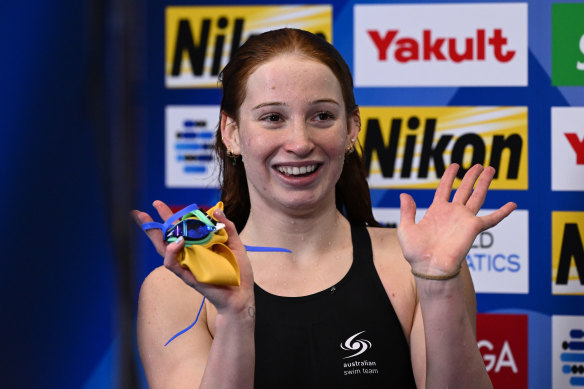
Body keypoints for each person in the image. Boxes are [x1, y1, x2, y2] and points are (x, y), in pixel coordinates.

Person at [133, 28, 515, 389]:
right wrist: (236, 319)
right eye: (273, 118)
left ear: (351, 129)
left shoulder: (414, 267)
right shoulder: (177, 289)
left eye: (322, 116)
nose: (299, 142)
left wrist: (439, 285)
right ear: (231, 133)